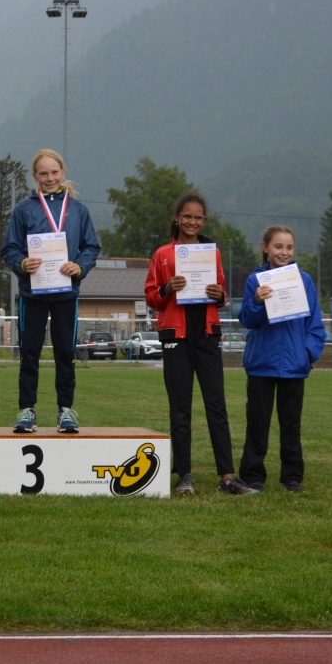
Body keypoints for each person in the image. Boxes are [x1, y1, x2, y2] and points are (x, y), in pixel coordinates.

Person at [144, 193, 254, 495]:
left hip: (207, 335)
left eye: (198, 217)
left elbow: (221, 295)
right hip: (176, 337)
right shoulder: (162, 254)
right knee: (180, 408)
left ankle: (227, 476)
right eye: (187, 216)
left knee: (217, 406)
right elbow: (151, 296)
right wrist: (168, 288)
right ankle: (184, 475)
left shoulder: (212, 253)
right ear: (177, 217)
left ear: (204, 221)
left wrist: (219, 295)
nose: (192, 222)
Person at [1, 149, 100, 433]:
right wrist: (22, 263)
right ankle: (27, 410)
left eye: (54, 172)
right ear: (35, 176)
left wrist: (79, 267)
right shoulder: (23, 210)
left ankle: (66, 411)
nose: (50, 178)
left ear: (63, 172)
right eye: (43, 173)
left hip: (66, 293)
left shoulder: (78, 210)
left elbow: (91, 247)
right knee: (29, 352)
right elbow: (10, 248)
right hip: (32, 292)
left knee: (65, 352)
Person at [236, 226, 327, 492]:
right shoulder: (255, 281)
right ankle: (253, 475)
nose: (284, 252)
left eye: (289, 247)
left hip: (294, 365)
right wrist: (257, 301)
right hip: (261, 364)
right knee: (257, 424)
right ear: (265, 247)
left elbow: (315, 324)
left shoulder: (304, 281)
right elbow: (247, 320)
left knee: (291, 424)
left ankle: (292, 476)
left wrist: (307, 354)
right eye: (278, 246)